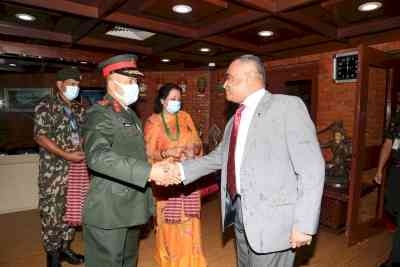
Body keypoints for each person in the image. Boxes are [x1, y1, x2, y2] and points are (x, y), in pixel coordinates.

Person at [158, 54, 325, 267]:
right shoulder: (234, 120)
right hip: (241, 217)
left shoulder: (287, 107)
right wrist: (178, 171)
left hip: (273, 222)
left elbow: (312, 168)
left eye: (230, 78)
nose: (225, 84)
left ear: (250, 78)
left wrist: (304, 224)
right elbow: (218, 158)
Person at [82, 54, 179, 267]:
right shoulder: (99, 113)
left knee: (128, 262)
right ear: (111, 81)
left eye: (136, 81)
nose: (135, 86)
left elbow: (132, 155)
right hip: (108, 210)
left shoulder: (130, 114)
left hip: (130, 207)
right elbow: (98, 157)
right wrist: (148, 173)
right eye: (129, 81)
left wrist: (154, 166)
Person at [144, 83, 207, 267]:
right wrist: (166, 153)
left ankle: (191, 261)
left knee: (190, 221)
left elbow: (197, 142)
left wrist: (194, 149)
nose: (176, 102)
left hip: (187, 175)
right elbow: (148, 155)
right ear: (162, 101)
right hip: (166, 178)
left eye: (179, 99)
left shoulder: (185, 117)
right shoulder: (153, 122)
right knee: (170, 224)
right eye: (172, 99)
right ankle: (170, 262)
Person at [33, 66, 85, 267]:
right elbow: (40, 136)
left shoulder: (78, 108)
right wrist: (67, 155)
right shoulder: (46, 105)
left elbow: (85, 134)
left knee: (71, 211)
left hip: (76, 171)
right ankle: (53, 256)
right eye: (71, 84)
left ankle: (65, 248)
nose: (75, 88)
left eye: (77, 84)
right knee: (52, 214)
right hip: (54, 173)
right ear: (59, 84)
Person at [374, 112, 400, 267]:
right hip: (396, 172)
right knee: (392, 208)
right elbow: (388, 143)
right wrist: (379, 169)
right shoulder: (397, 117)